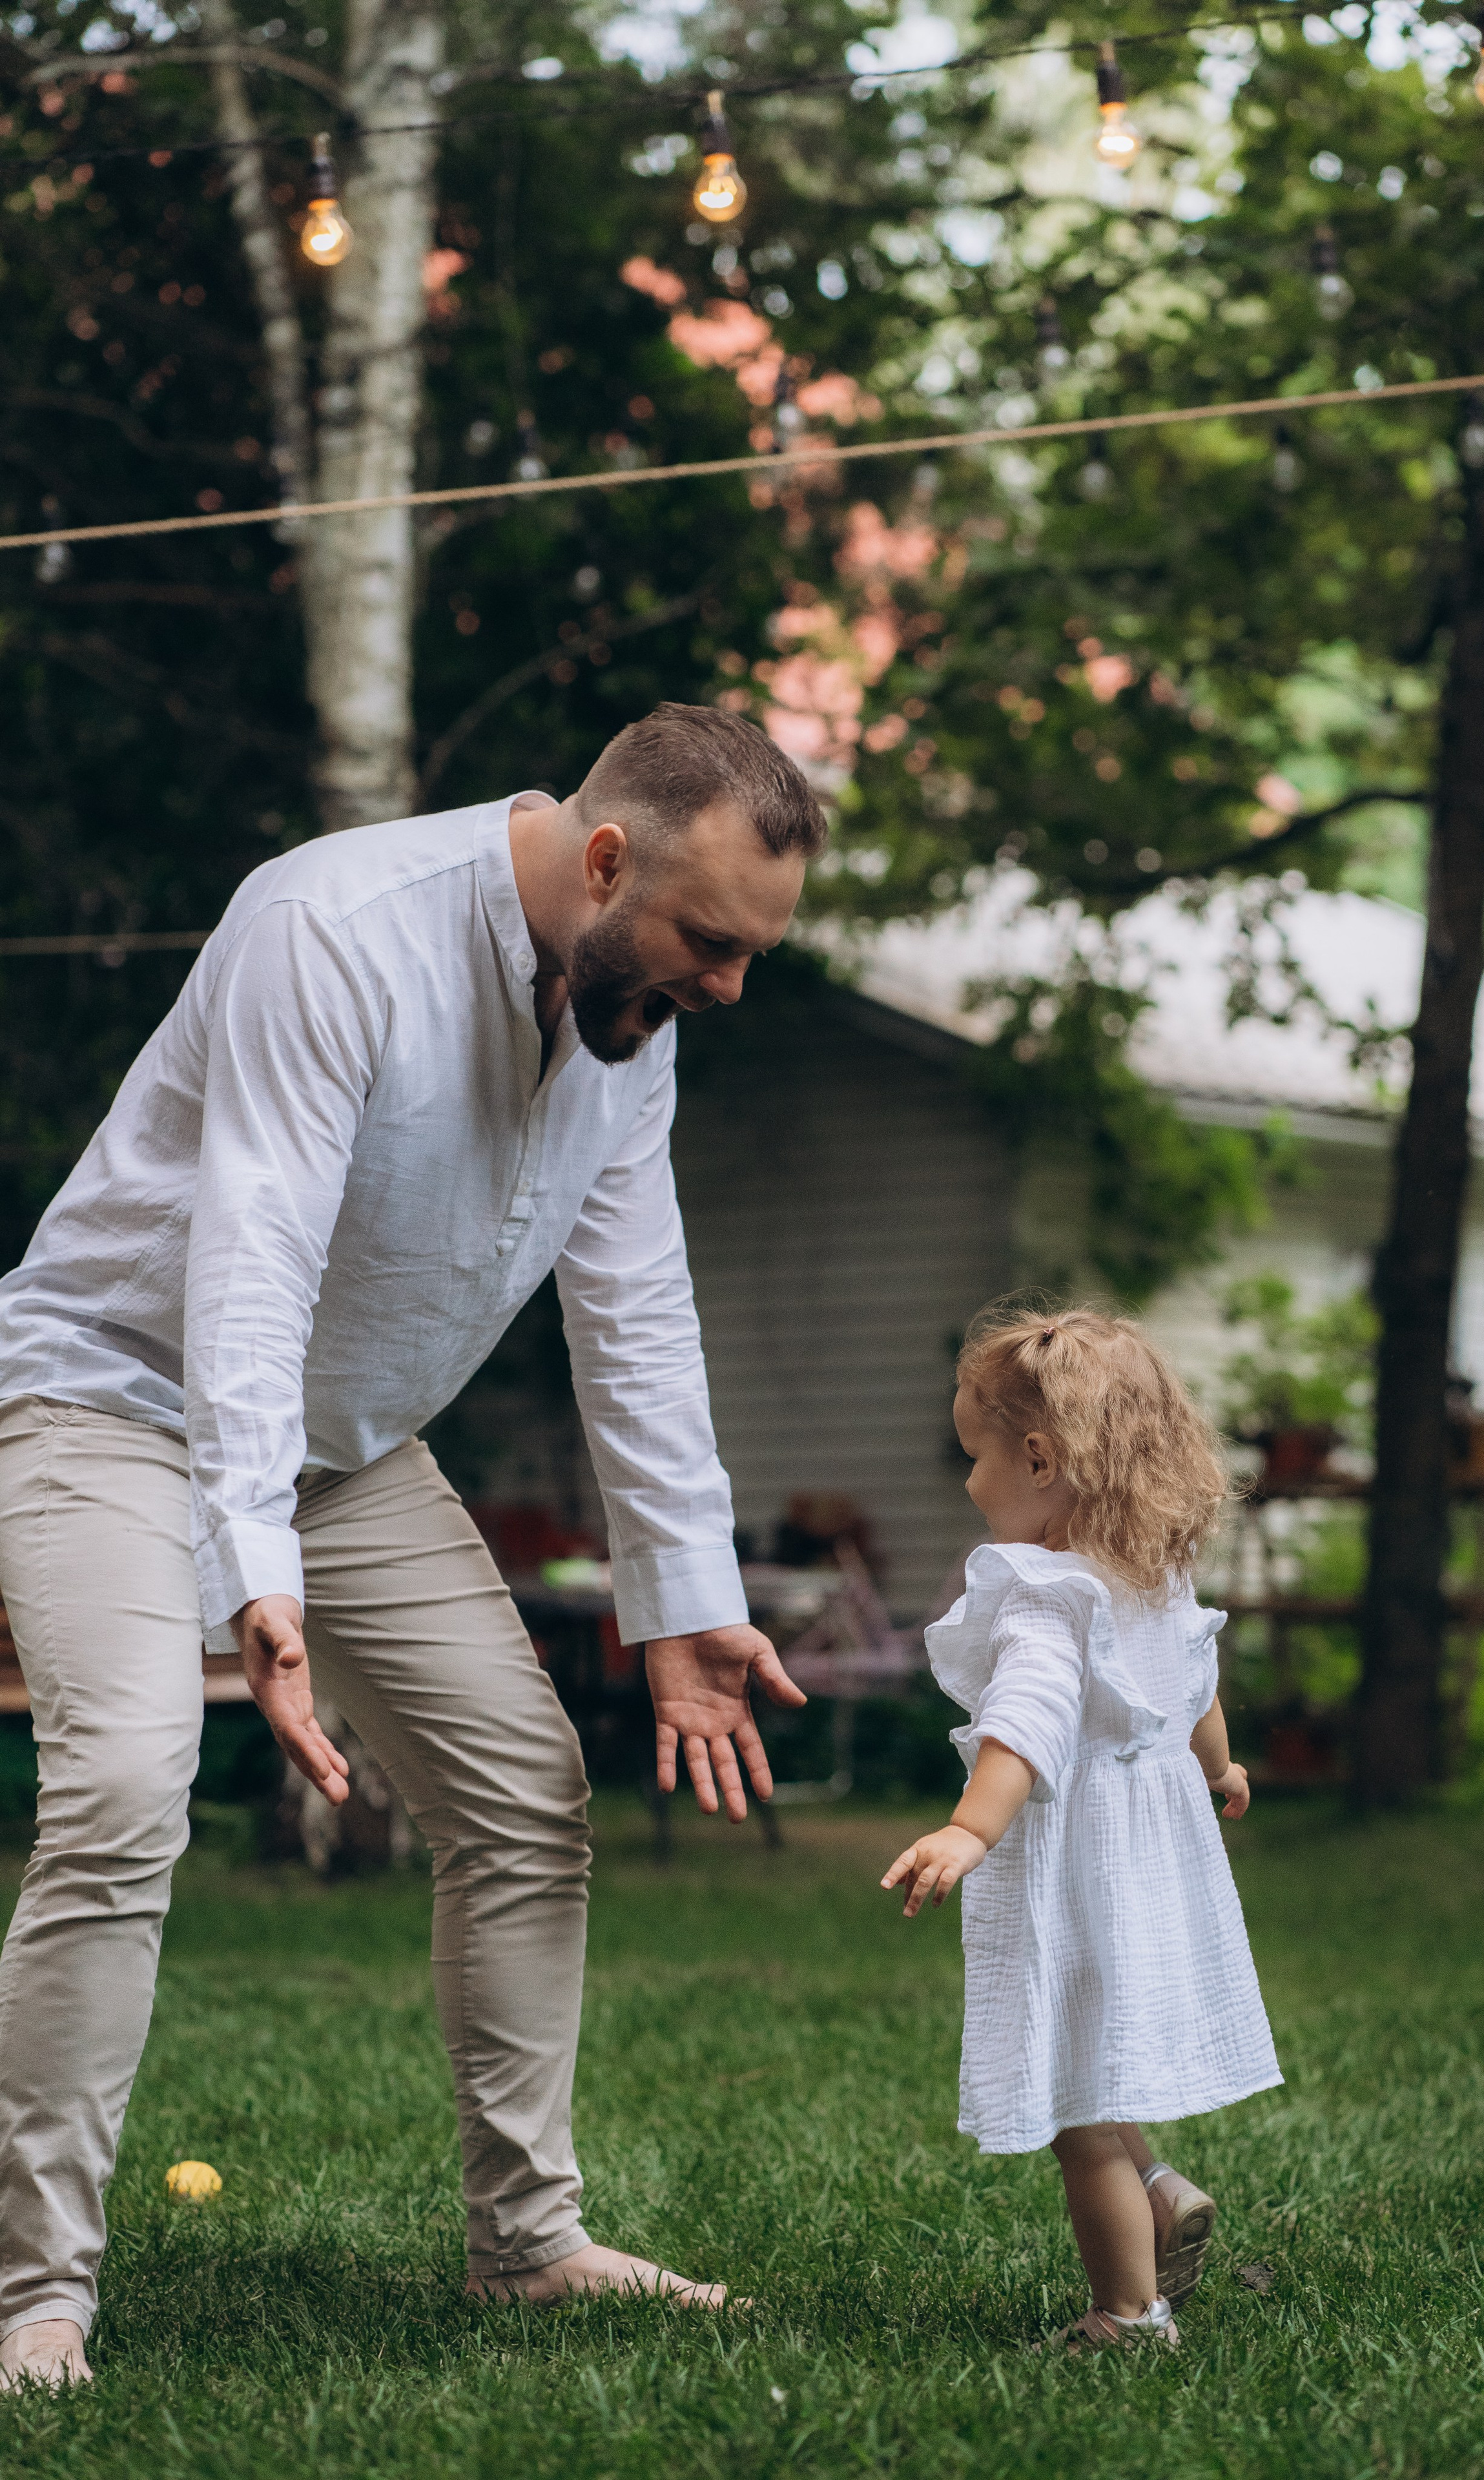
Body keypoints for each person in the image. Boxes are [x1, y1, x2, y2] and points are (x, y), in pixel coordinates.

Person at [0, 703, 825, 2389]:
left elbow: (636, 1305)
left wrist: (684, 1605)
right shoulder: (328, 928)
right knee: (128, 1789)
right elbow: (252, 1262)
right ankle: (33, 2293)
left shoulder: (628, 1015)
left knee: (527, 1800)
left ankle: (530, 2246)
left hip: (348, 1448)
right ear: (607, 860)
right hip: (109, 1402)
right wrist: (256, 1578)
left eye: (752, 955)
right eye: (712, 944)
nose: (730, 989)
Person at [881, 1305, 1281, 2351]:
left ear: (1041, 1459)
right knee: (1096, 2052)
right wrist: (1219, 1767)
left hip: (1075, 1858)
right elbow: (1193, 1685)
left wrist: (969, 1831)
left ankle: (1129, 2313)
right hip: (1151, 1859)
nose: (970, 1483)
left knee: (1073, 2109)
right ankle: (1159, 2185)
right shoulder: (1152, 1574)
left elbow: (1026, 1723)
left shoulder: (1045, 1593)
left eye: (976, 1458)